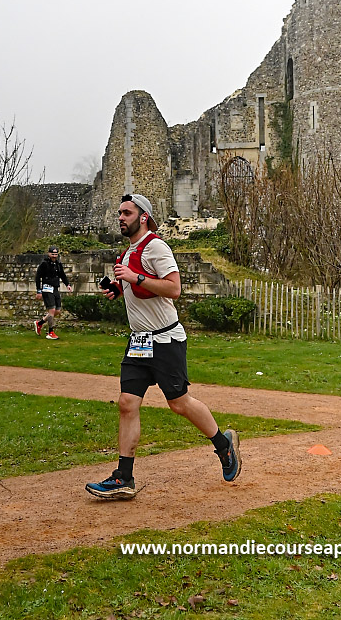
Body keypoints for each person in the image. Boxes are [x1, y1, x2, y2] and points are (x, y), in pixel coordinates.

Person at [85, 193, 241, 499]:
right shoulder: (128, 253)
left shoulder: (155, 247)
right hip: (138, 341)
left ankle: (224, 446)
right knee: (127, 403)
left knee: (179, 403)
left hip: (165, 340)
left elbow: (173, 288)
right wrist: (119, 288)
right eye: (120, 213)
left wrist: (135, 278)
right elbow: (139, 287)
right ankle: (124, 478)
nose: (121, 217)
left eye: (127, 213)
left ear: (143, 217)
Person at [34, 246, 73, 340]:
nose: (54, 256)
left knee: (57, 311)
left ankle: (40, 323)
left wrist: (67, 284)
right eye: (52, 254)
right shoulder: (44, 264)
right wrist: (39, 290)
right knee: (51, 310)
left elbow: (62, 275)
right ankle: (50, 332)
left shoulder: (58, 264)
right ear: (49, 254)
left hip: (55, 288)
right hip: (47, 289)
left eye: (56, 254)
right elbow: (37, 277)